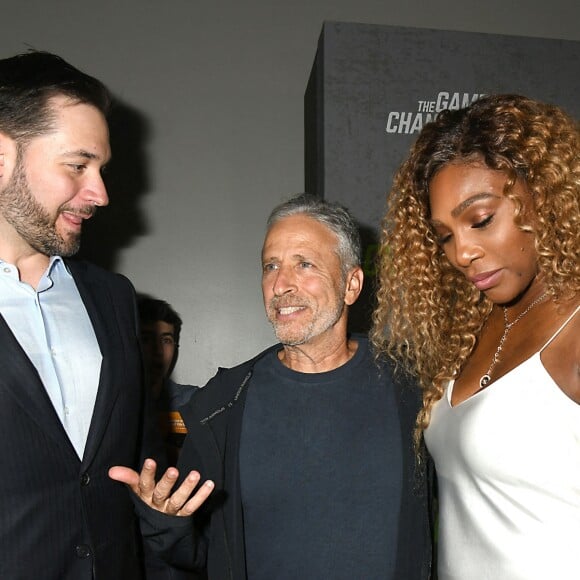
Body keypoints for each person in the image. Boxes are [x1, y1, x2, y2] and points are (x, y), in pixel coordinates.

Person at [110, 193, 434, 580]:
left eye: (305, 264)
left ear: (352, 284)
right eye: (271, 266)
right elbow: (203, 555)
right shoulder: (222, 406)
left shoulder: (415, 391)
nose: (280, 284)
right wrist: (168, 521)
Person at [371, 94, 579, 580]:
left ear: (544, 196)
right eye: (444, 235)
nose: (461, 252)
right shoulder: (475, 329)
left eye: (480, 219)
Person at [0, 50, 158, 579]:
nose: (101, 194)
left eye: (102, 169)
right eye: (77, 165)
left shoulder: (113, 298)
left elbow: (138, 465)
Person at [137, 294, 198, 465]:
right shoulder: (110, 403)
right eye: (147, 339)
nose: (158, 350)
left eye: (166, 340)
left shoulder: (195, 401)